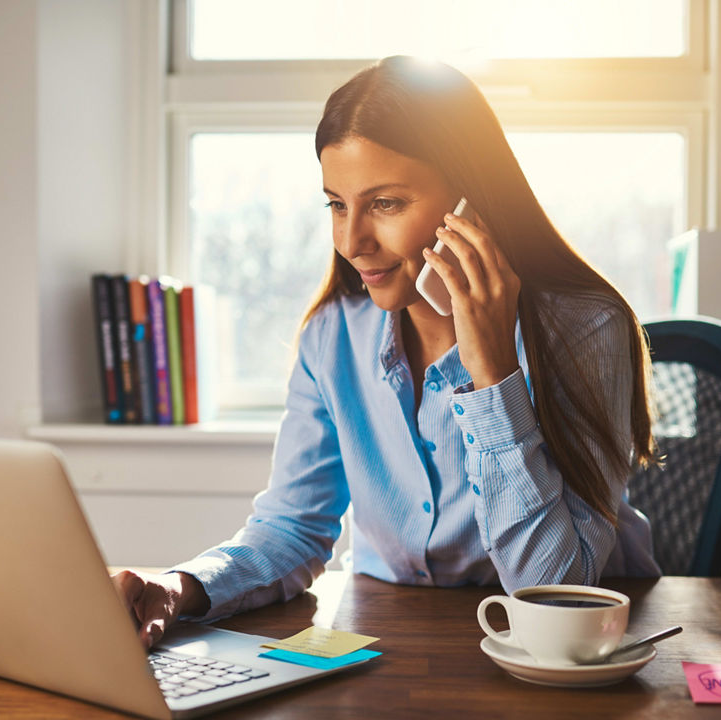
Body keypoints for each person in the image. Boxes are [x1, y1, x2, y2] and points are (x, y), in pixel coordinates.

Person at [113, 56, 660, 649]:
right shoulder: (333, 335)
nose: (352, 241)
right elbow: (292, 528)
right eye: (337, 204)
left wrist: (493, 374)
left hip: (570, 659)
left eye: (386, 204)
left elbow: (554, 592)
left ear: (471, 202)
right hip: (386, 646)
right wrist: (178, 586)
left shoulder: (584, 329)